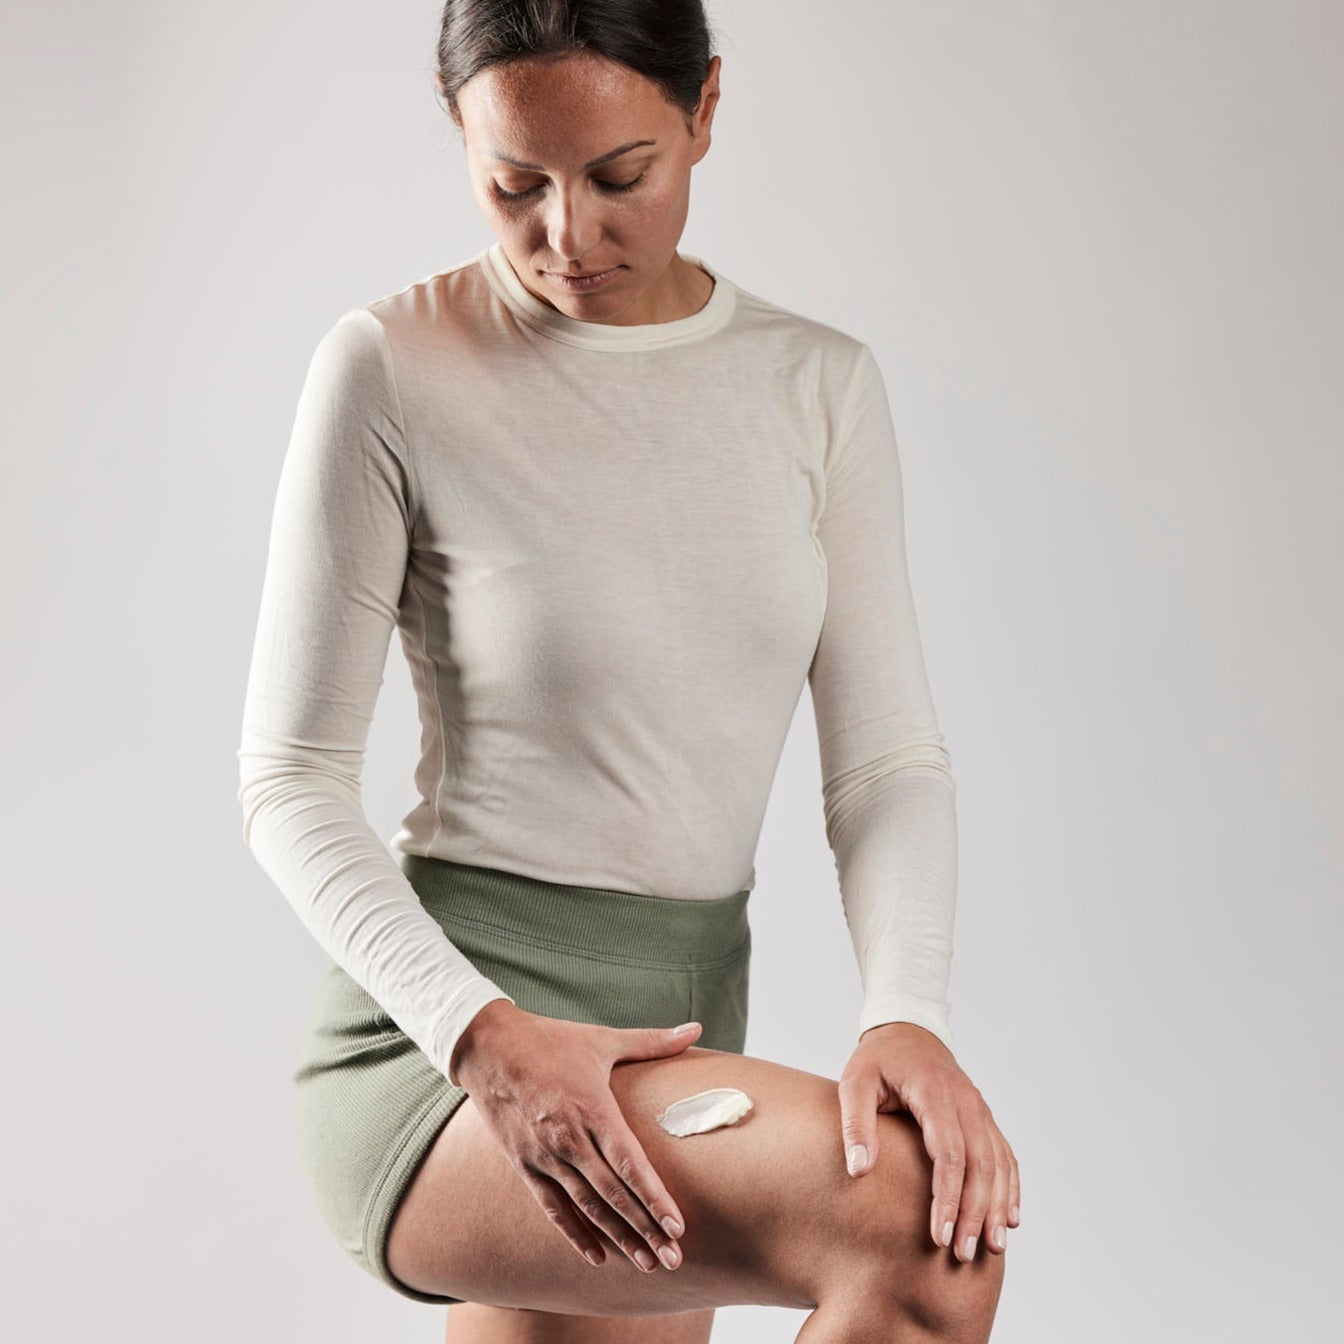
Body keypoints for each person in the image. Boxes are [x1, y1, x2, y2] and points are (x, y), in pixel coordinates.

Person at [237, 2, 1017, 1340]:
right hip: (443, 1048)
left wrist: (906, 1014)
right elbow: (289, 783)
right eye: (514, 184)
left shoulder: (815, 387)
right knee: (915, 1230)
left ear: (703, 109)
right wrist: (486, 1041)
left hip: (675, 1026)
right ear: (461, 135)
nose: (566, 235)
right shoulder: (393, 365)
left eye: (619, 176)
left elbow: (886, 760)